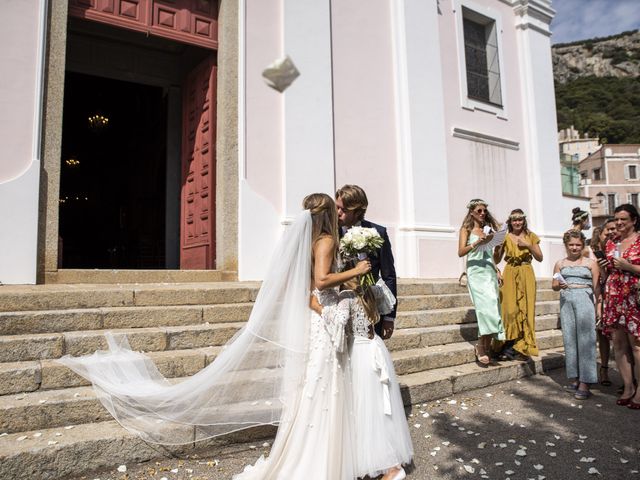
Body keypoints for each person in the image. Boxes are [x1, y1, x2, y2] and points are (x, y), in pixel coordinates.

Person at [58, 193, 377, 479]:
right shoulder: (325, 242)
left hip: (315, 319)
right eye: (333, 210)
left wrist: (342, 289)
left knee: (314, 388)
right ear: (325, 216)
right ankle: (320, 461)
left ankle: (312, 455)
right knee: (322, 386)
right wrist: (357, 273)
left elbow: (307, 286)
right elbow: (321, 281)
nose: (338, 214)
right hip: (320, 323)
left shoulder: (307, 244)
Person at [310, 276, 413, 480]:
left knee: (363, 409)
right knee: (379, 410)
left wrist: (317, 307)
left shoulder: (346, 297)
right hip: (375, 348)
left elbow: (339, 323)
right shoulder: (372, 291)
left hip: (360, 355)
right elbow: (387, 304)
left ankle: (391, 467)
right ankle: (385, 461)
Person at [336, 185, 397, 340]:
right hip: (340, 308)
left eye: (344, 210)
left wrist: (389, 317)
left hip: (370, 309)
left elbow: (389, 275)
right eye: (337, 207)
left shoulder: (378, 232)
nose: (338, 213)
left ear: (357, 211)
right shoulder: (331, 233)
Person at [599, 204, 640, 409]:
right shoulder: (611, 243)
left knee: (637, 346)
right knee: (619, 344)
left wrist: (628, 266)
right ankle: (627, 388)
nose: (619, 223)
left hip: (634, 297)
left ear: (634, 220)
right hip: (614, 297)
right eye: (617, 219)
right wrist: (606, 269)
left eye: (623, 219)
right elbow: (607, 274)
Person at [552, 230, 600, 400]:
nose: (574, 247)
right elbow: (554, 285)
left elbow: (597, 288)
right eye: (571, 244)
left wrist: (598, 306)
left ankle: (586, 381)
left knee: (586, 340)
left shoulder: (591, 263)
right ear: (566, 245)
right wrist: (559, 285)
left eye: (578, 245)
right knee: (570, 339)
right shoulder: (560, 263)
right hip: (566, 301)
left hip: (585, 300)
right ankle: (575, 376)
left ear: (583, 245)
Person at [458, 199, 505, 366]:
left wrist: (499, 248)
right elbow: (461, 252)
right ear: (471, 212)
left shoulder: (489, 230)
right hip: (475, 272)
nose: (482, 213)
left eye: (484, 211)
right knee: (484, 310)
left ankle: (484, 345)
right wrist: (477, 241)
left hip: (489, 271)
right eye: (479, 211)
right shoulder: (466, 229)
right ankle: (481, 347)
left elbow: (494, 257)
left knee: (493, 307)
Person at [493, 209, 543, 360]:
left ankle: (522, 348)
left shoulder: (531, 236)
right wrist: (497, 248)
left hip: (526, 271)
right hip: (510, 272)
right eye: (514, 220)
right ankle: (506, 346)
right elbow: (496, 260)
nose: (517, 223)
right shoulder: (505, 237)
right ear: (510, 221)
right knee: (509, 310)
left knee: (526, 310)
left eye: (520, 220)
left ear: (523, 220)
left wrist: (528, 245)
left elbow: (540, 257)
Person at [589, 218, 616, 386]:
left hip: (615, 295)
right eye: (607, 231)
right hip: (598, 296)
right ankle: (604, 369)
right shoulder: (592, 252)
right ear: (600, 233)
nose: (610, 234)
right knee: (602, 335)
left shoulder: (617, 250)